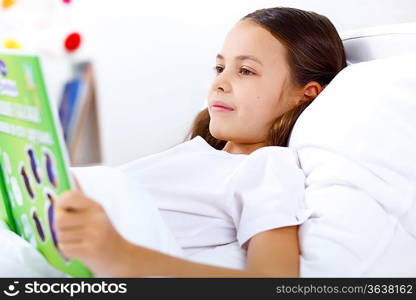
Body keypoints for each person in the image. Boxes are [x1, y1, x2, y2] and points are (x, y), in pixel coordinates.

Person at [55, 7, 347, 277]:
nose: (219, 83)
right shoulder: (196, 154)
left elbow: (274, 282)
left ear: (306, 93)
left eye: (246, 71)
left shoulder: (267, 166)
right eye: (220, 68)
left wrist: (124, 258)